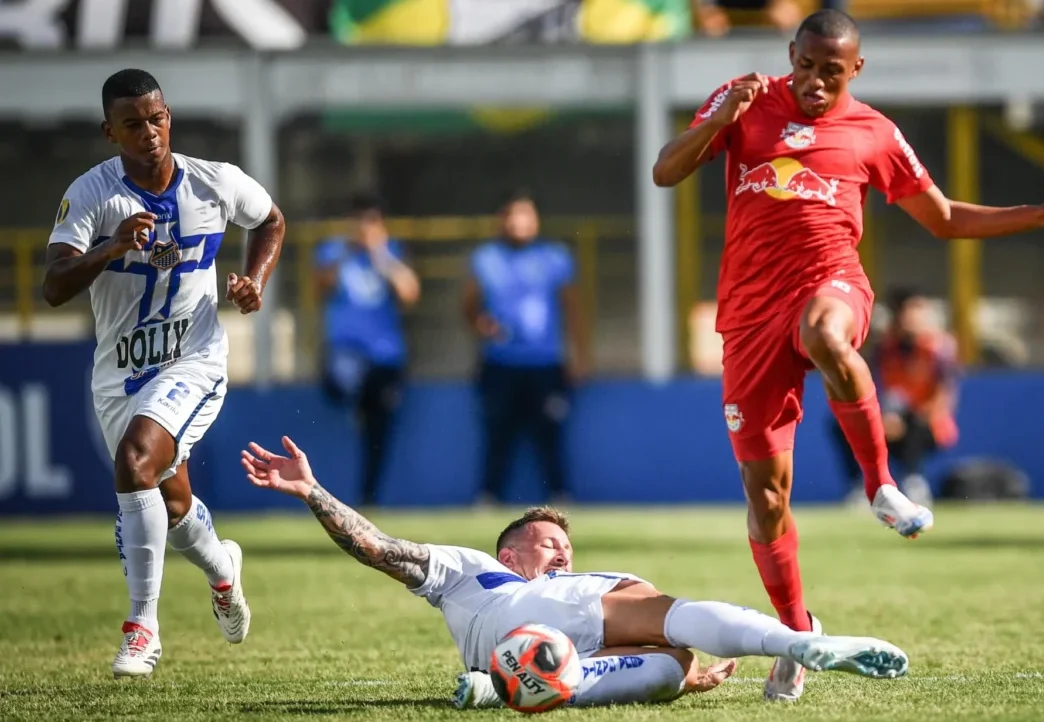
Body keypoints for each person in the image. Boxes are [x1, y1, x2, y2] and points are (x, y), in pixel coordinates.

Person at [651, 8, 1044, 700]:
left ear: (856, 69)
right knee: (767, 500)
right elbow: (664, 172)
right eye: (806, 65)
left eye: (833, 70)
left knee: (827, 334)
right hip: (749, 317)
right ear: (790, 53)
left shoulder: (874, 133)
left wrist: (1039, 213)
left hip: (831, 284)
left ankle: (882, 484)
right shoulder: (745, 99)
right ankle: (798, 635)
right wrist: (716, 121)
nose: (817, 81)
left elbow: (941, 217)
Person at [240, 436, 910, 709]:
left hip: (554, 653)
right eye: (547, 541)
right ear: (509, 553)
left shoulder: (512, 592)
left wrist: (687, 672)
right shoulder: (471, 569)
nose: (561, 552)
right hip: (546, 625)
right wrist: (313, 492)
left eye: (567, 545)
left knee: (673, 663)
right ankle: (798, 643)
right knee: (651, 602)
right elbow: (377, 546)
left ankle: (505, 686)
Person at [42, 68, 285, 678]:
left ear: (168, 115)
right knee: (172, 506)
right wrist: (110, 248)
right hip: (119, 375)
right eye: (132, 124)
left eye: (156, 119)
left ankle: (141, 628)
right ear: (109, 131)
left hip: (193, 359)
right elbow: (53, 286)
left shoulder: (215, 181)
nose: (148, 133)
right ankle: (224, 573)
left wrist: (255, 282)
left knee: (134, 462)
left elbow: (271, 221)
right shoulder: (92, 194)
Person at [462, 190, 589, 505]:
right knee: (497, 433)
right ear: (501, 220)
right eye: (512, 215)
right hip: (500, 362)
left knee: (550, 432)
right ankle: (489, 497)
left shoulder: (555, 257)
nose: (518, 222)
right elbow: (469, 306)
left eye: (525, 215)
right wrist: (482, 325)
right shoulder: (486, 259)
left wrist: (580, 354)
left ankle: (560, 495)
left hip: (545, 363)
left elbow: (573, 307)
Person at [316, 193, 420, 507]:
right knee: (340, 381)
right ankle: (356, 405)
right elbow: (320, 287)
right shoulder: (333, 252)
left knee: (379, 431)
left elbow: (409, 294)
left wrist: (380, 254)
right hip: (347, 352)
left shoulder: (393, 252)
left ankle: (368, 497)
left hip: (385, 356)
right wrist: (348, 253)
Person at [831, 288, 960, 508]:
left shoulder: (938, 349)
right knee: (842, 424)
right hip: (887, 418)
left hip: (925, 424)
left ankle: (913, 481)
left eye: (916, 312)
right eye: (904, 313)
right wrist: (884, 415)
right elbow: (870, 386)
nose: (910, 319)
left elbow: (944, 397)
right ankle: (862, 484)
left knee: (917, 423)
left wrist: (908, 415)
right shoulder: (884, 349)